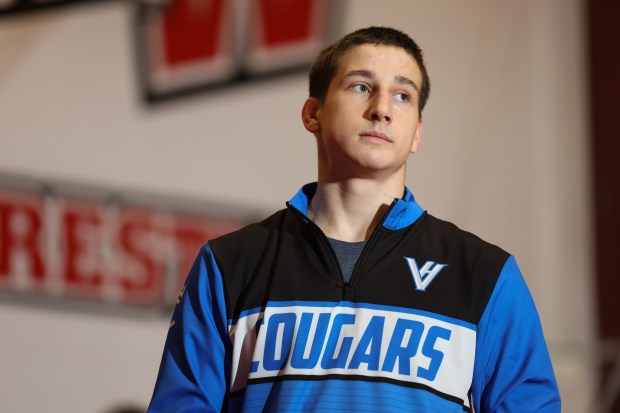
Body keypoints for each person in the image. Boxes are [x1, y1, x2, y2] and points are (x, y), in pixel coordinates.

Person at [147, 26, 561, 412]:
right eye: (361, 87)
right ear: (313, 113)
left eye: (403, 96)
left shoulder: (484, 273)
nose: (382, 109)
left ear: (417, 132)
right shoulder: (230, 263)